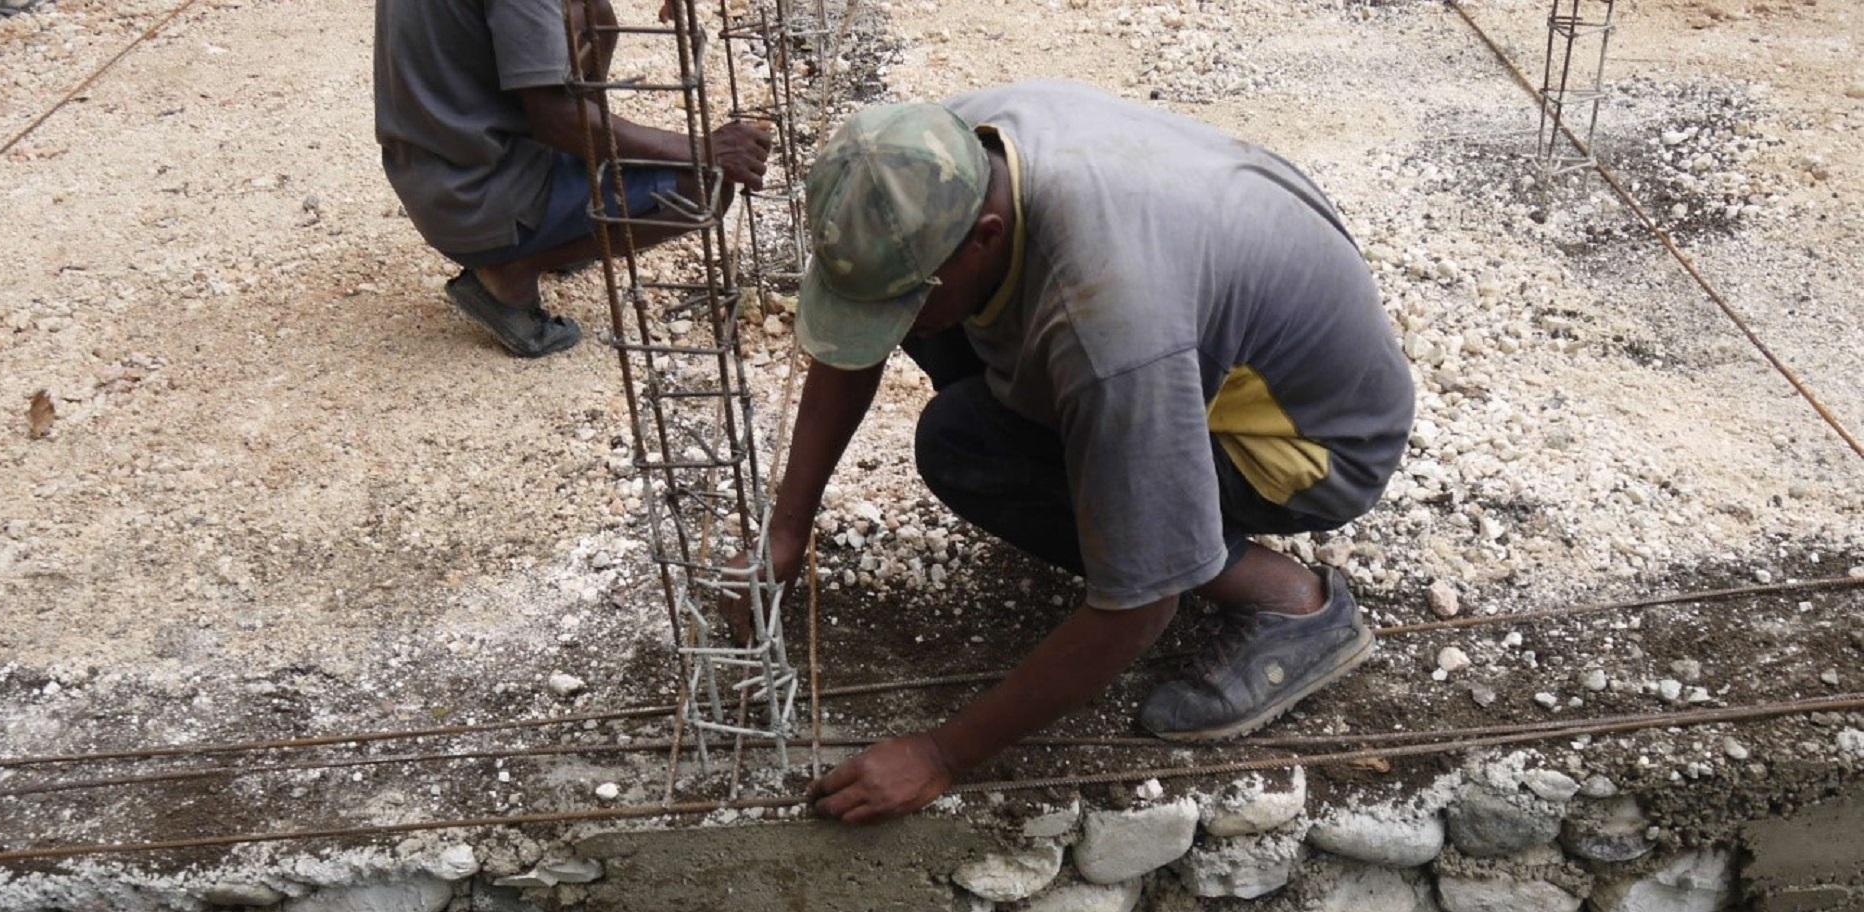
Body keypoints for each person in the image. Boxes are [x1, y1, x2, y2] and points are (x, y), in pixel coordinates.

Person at [763, 80, 1414, 823]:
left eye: (900, 298)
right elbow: (861, 331)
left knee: (964, 448)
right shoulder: (938, 154)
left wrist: (942, 754)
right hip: (1207, 329)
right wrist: (787, 530)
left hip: (1311, 444)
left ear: (985, 236)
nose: (886, 322)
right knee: (934, 320)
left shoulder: (1111, 329)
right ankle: (1092, 456)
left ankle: (1290, 605)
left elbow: (1138, 605)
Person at [374, 0, 772, 357]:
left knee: (596, 19)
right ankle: (511, 271)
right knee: (702, 188)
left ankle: (559, 214)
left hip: (433, 169)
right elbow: (554, 119)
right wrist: (701, 148)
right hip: (476, 198)